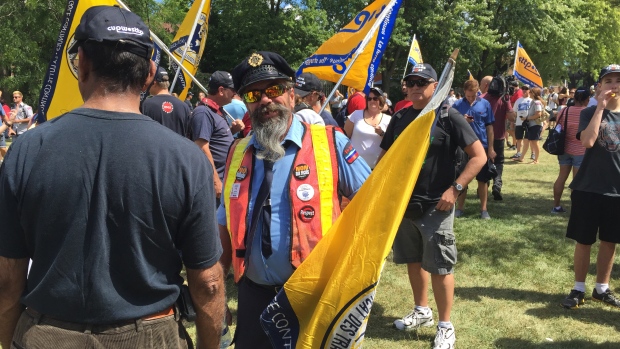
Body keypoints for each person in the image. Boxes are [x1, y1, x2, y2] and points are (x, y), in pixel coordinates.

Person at [0, 6, 224, 349]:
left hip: (46, 334)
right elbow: (207, 282)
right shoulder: (188, 159)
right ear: (149, 72)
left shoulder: (27, 149)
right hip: (150, 335)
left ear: (83, 64)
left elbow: (7, 277)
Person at [218, 51, 370, 349]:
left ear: (290, 95)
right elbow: (224, 227)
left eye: (273, 90)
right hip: (253, 296)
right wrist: (218, 295)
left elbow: (374, 205)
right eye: (254, 94)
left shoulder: (330, 142)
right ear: (246, 103)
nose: (264, 100)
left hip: (312, 297)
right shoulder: (237, 153)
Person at [379, 63, 485, 349]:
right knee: (413, 260)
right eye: (410, 82)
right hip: (405, 204)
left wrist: (456, 189)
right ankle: (422, 310)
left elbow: (479, 157)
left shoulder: (449, 116)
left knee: (440, 266)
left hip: (437, 204)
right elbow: (386, 160)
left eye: (422, 82)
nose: (415, 86)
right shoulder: (399, 117)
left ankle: (445, 326)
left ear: (435, 86)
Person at [561, 64, 620, 310]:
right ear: (600, 87)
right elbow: (587, 141)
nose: (614, 86)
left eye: (618, 81)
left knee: (610, 241)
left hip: (616, 191)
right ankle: (579, 288)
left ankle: (602, 288)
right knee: (584, 240)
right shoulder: (589, 112)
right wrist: (600, 108)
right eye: (608, 81)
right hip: (588, 187)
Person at [191, 71, 240, 201]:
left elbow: (215, 138)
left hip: (224, 178)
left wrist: (232, 130)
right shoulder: (203, 112)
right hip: (213, 183)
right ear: (221, 90)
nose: (235, 93)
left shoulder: (216, 111)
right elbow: (201, 146)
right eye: (233, 90)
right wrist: (215, 181)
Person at [453, 79, 495, 219]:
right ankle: (460, 207)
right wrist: (462, 121)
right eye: (468, 95)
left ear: (478, 91)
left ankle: (484, 210)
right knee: (463, 177)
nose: (470, 98)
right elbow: (451, 127)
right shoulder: (457, 105)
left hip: (481, 146)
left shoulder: (485, 104)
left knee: (483, 180)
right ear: (464, 92)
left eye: (473, 95)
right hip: (463, 147)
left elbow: (489, 127)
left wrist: (491, 148)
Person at [552, 86, 589, 213]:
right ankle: (576, 209)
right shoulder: (588, 112)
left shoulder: (564, 111)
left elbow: (559, 126)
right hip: (581, 150)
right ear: (587, 99)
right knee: (577, 181)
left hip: (564, 148)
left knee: (561, 177)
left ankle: (556, 206)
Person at [481, 76, 514, 201]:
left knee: (484, 162)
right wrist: (507, 102)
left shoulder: (481, 98)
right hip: (498, 137)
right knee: (498, 162)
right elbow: (512, 118)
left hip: (483, 137)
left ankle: (483, 186)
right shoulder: (504, 99)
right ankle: (497, 185)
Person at [343, 86, 391, 169]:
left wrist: (382, 133)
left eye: (375, 98)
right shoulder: (356, 115)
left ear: (381, 100)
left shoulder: (388, 119)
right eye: (369, 99)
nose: (372, 101)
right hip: (355, 167)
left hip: (378, 168)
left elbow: (392, 143)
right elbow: (344, 138)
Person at [141, 66, 192, 138]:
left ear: (154, 83)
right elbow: (189, 135)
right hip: (178, 148)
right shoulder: (184, 107)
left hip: (154, 148)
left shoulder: (147, 104)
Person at [513, 87, 545, 164]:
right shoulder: (533, 102)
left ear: (533, 94)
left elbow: (538, 114)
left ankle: (536, 160)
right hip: (531, 125)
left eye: (530, 92)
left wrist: (527, 118)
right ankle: (521, 157)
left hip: (535, 125)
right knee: (526, 141)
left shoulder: (537, 102)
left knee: (534, 142)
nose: (529, 93)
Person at [510, 85, 532, 160]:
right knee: (519, 138)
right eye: (523, 89)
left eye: (526, 89)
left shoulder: (531, 100)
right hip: (519, 122)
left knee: (530, 139)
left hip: (529, 122)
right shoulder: (518, 100)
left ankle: (533, 153)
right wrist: (513, 122)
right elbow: (514, 112)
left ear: (529, 90)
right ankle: (518, 153)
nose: (524, 90)